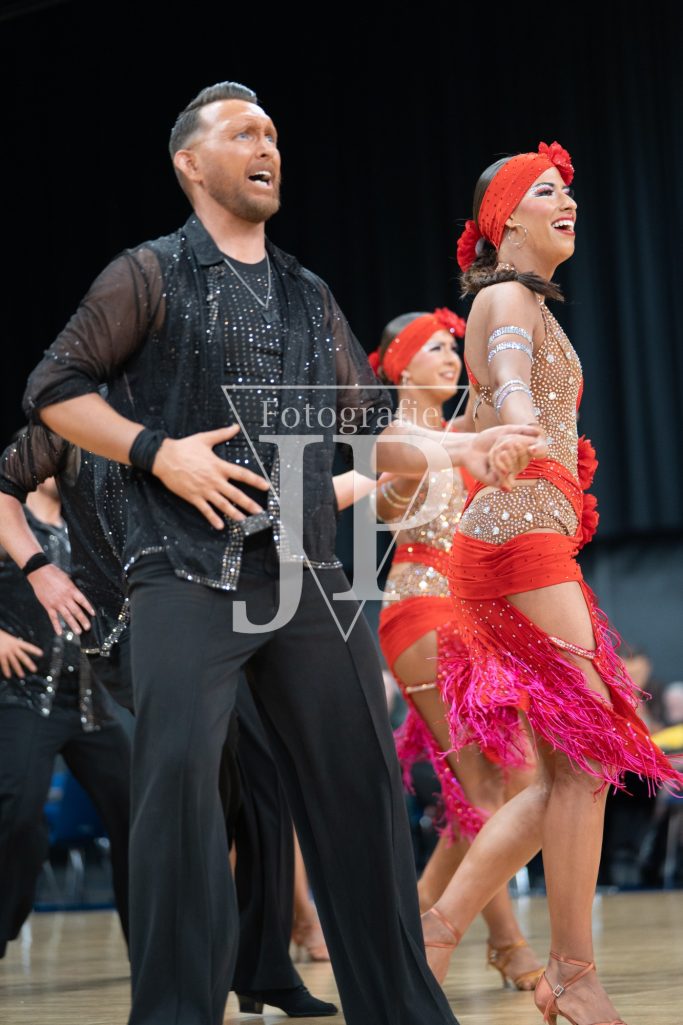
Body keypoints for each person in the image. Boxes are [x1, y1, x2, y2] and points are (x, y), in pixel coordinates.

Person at [22, 80, 543, 1025]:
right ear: (190, 163)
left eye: (270, 132)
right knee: (178, 792)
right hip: (182, 572)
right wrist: (157, 451)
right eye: (242, 133)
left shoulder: (307, 293)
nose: (266, 145)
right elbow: (53, 388)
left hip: (304, 576)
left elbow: (364, 428)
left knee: (361, 800)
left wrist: (457, 449)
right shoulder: (148, 273)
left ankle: (403, 1011)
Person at [417, 141, 683, 1025]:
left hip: (516, 537)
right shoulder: (505, 297)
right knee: (591, 752)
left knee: (564, 769)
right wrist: (522, 414)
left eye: (567, 188)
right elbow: (504, 368)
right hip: (517, 540)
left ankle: (436, 929)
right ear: (504, 220)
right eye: (543, 189)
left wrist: (493, 430)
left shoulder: (526, 302)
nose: (565, 199)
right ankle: (567, 973)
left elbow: (485, 398)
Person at [0, 423, 336, 1018]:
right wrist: (25, 588)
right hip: (91, 661)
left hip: (170, 650)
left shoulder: (149, 452)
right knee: (38, 813)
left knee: (260, 781)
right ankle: (179, 975)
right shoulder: (42, 480)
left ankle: (256, 966)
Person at [369, 307, 542, 991]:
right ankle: (506, 943)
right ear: (400, 363)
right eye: (435, 348)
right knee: (486, 785)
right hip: (419, 615)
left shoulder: (460, 429)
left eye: (453, 348)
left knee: (511, 781)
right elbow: (390, 496)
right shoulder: (395, 439)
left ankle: (420, 913)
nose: (449, 357)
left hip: (470, 616)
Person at [0, 475, 130, 960]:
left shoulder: (86, 526)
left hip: (91, 702)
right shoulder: (9, 522)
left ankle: (153, 952)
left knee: (140, 815)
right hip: (25, 693)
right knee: (16, 813)